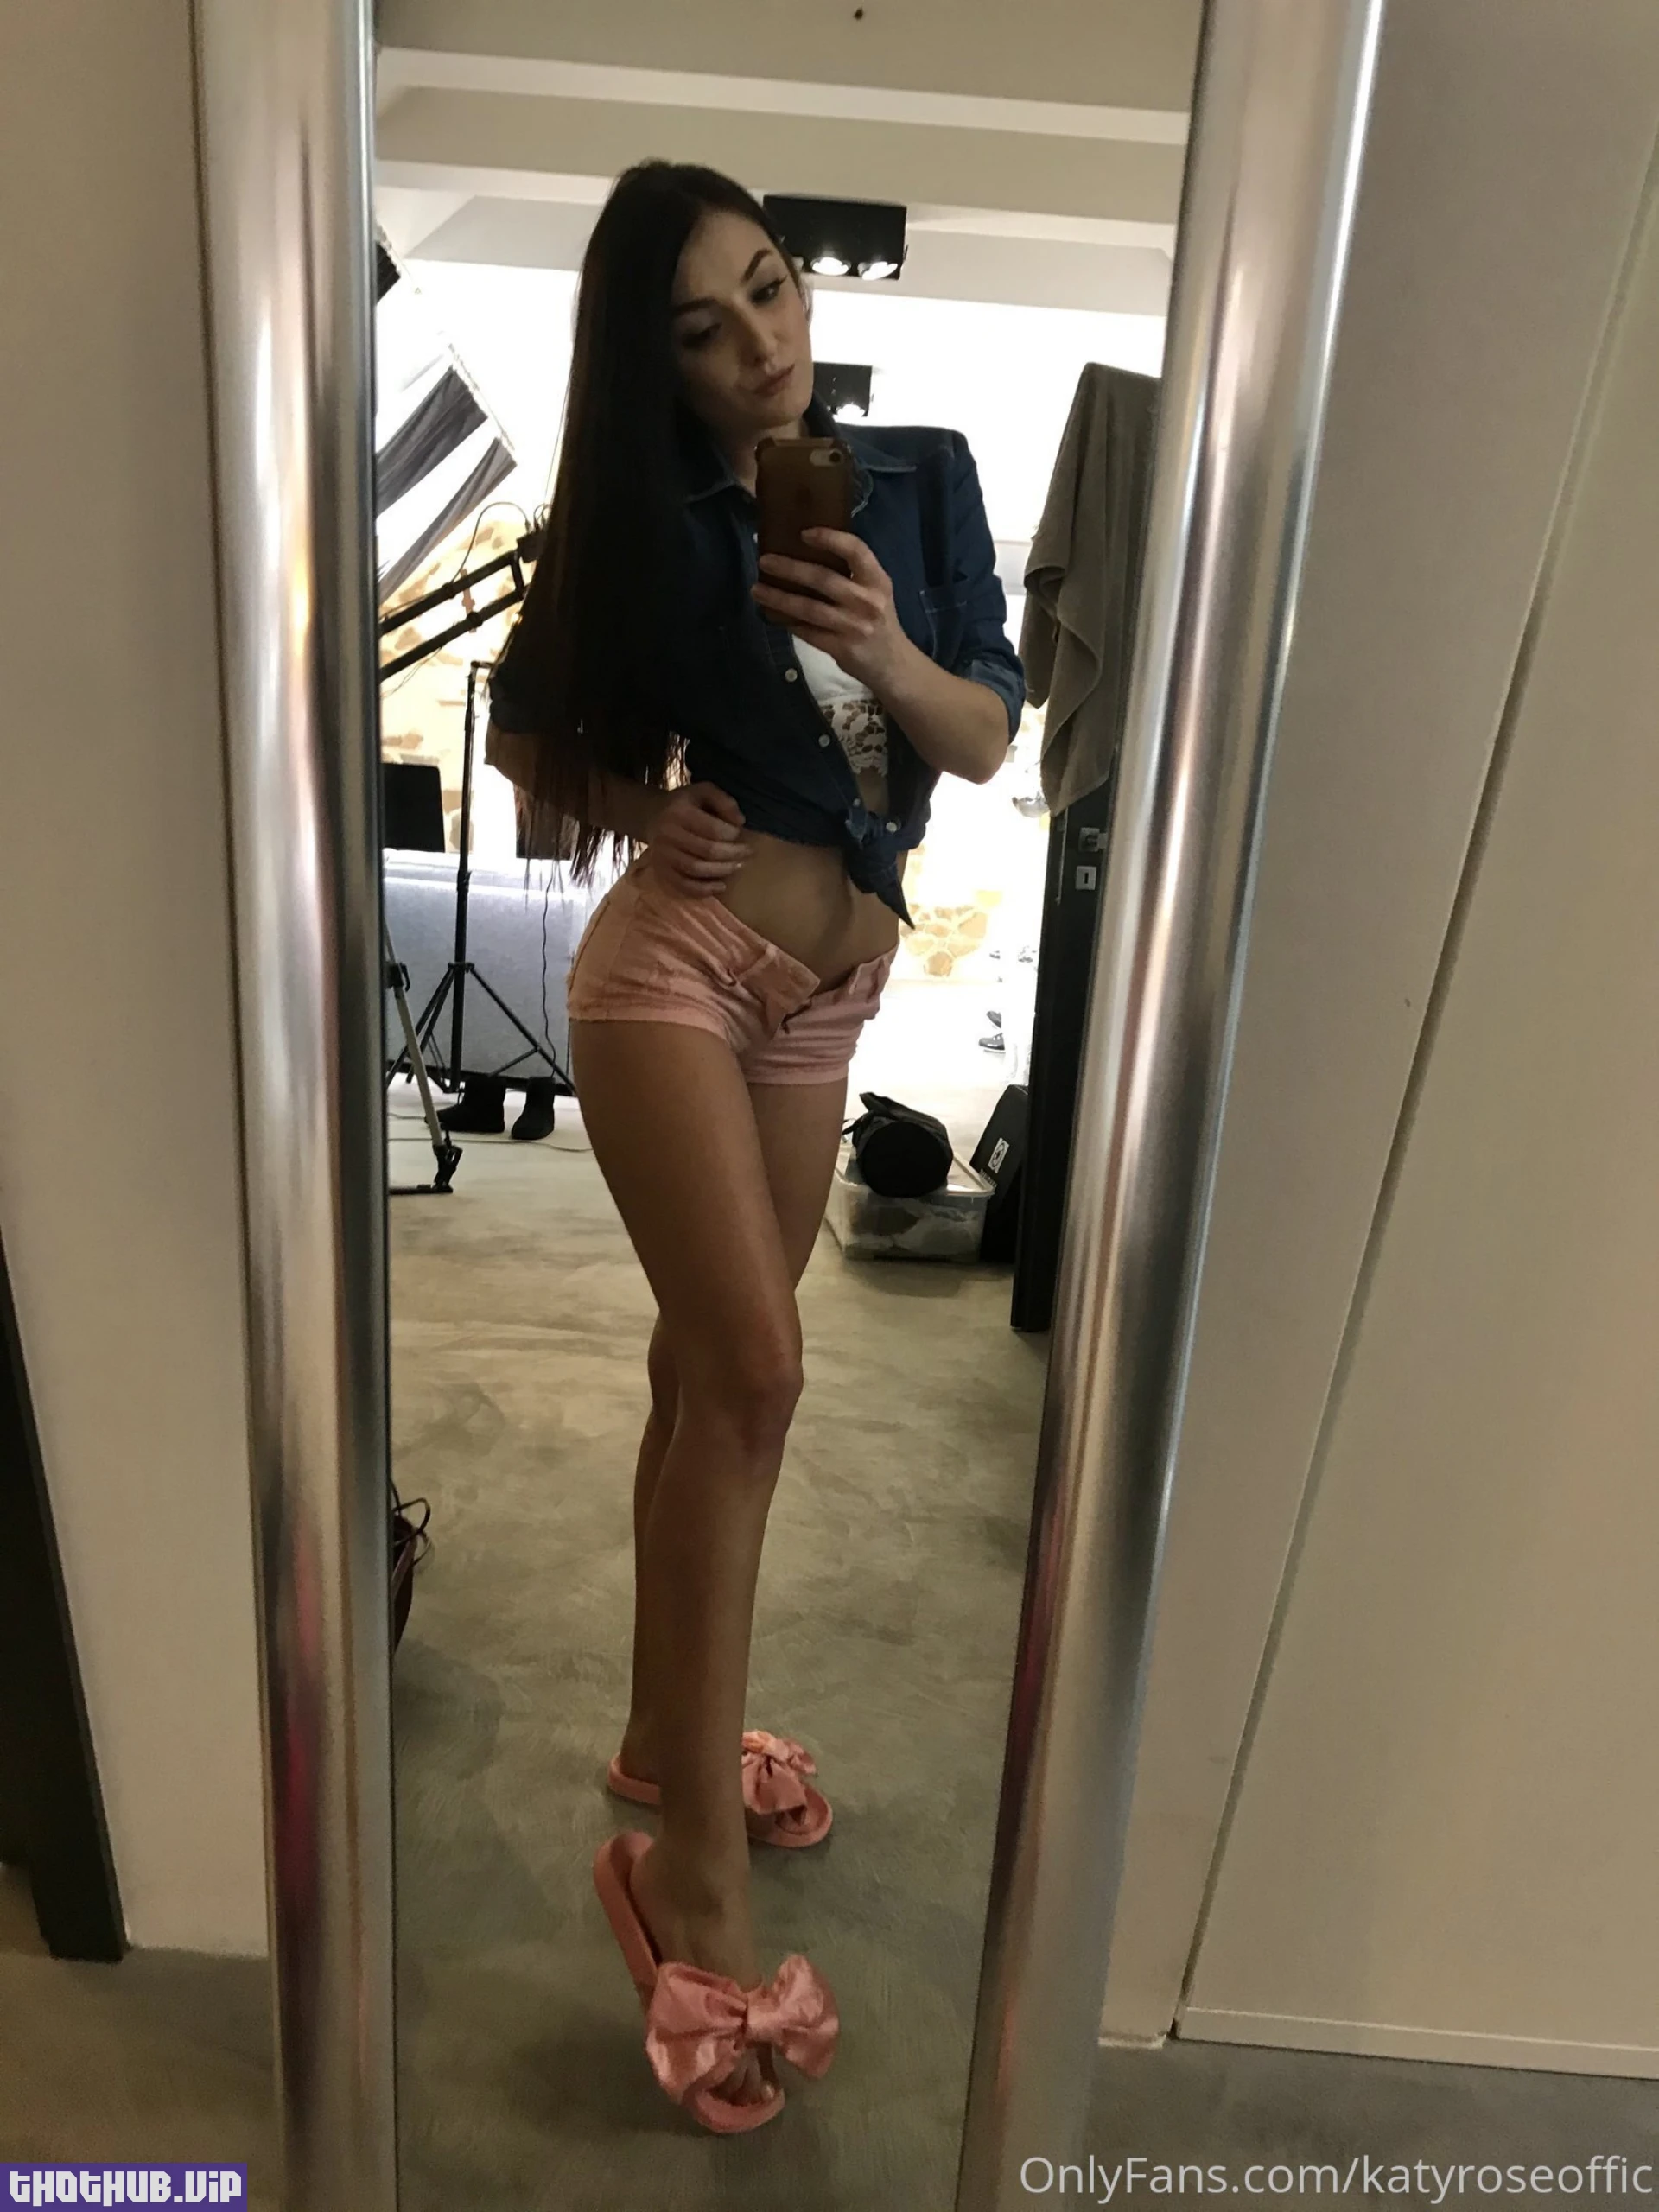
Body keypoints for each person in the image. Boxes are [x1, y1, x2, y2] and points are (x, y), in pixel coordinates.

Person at [486, 160, 1025, 2133]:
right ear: (655, 366)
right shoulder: (632, 529)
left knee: (707, 1378)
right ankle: (683, 1869)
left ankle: (665, 1738)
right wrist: (648, 810)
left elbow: (981, 737)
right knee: (757, 1372)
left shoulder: (926, 479)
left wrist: (885, 648)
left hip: (835, 989)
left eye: (771, 291)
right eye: (702, 332)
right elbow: (529, 741)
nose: (760, 348)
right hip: (680, 970)